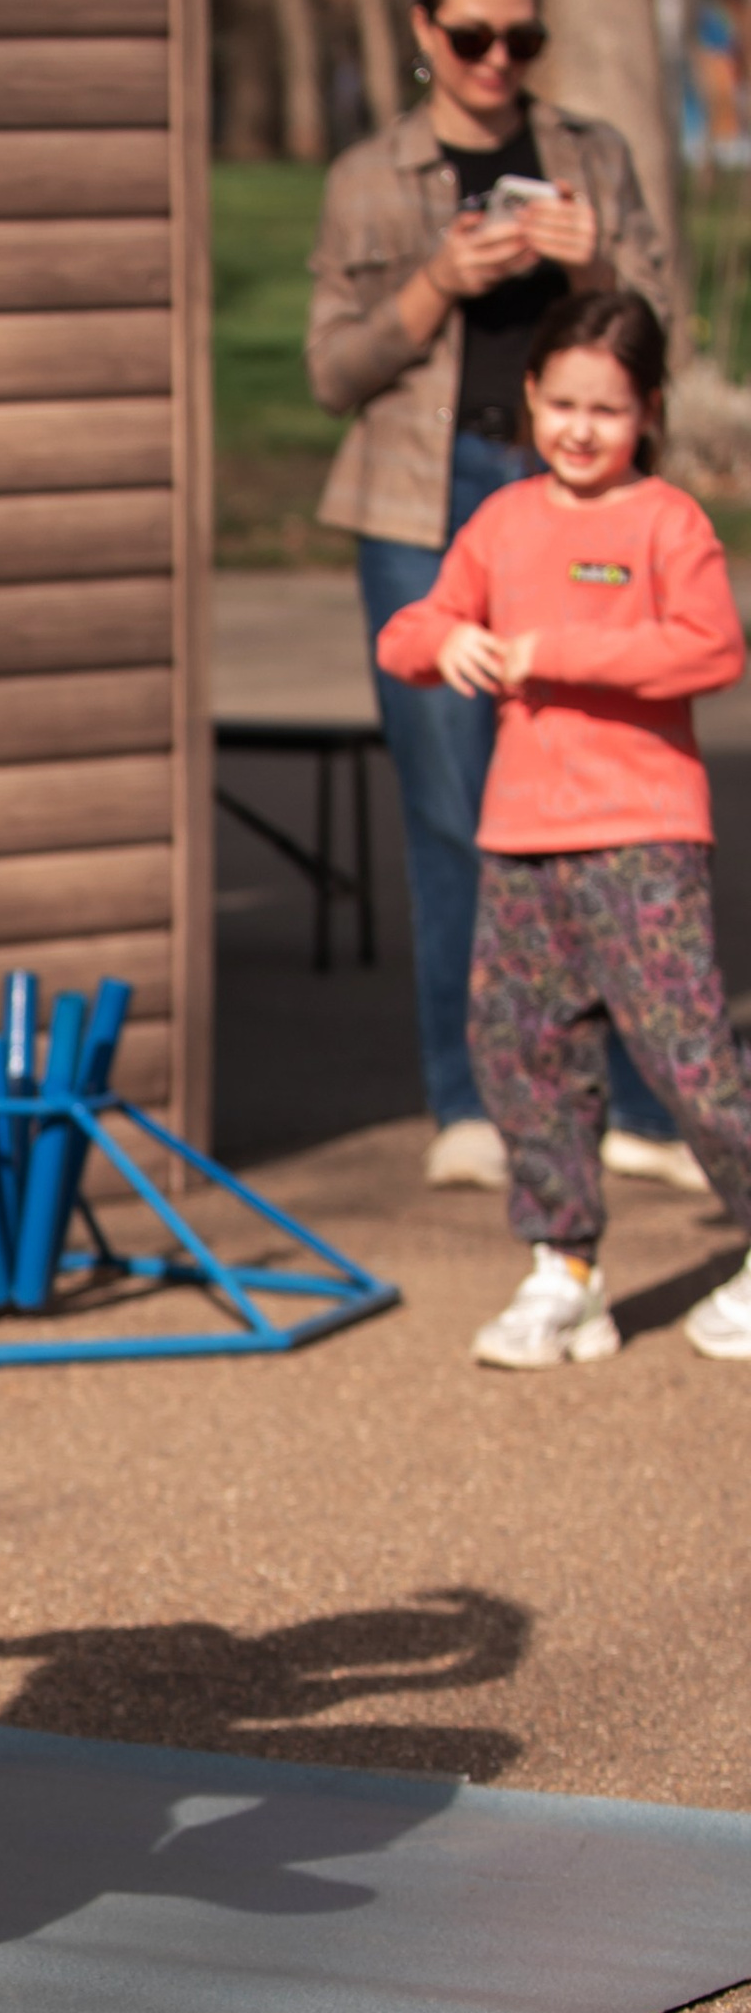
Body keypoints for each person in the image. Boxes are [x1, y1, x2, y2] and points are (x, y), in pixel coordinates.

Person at [308, 0, 699, 1195]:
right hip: (423, 501)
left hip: (572, 495)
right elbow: (331, 370)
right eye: (470, 35)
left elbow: (660, 333)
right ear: (424, 32)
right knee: (447, 811)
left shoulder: (590, 154)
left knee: (604, 813)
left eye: (519, 37)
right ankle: (468, 1097)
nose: (495, 58)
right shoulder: (371, 174)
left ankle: (629, 1099)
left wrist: (588, 261)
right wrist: (437, 279)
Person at [374, 291, 751, 1370]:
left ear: (649, 411)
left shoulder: (666, 521)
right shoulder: (502, 521)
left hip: (644, 836)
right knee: (522, 1049)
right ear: (531, 395)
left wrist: (557, 650)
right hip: (522, 839)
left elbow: (710, 648)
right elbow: (412, 626)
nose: (582, 427)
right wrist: (444, 643)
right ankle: (565, 1269)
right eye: (563, 401)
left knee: (688, 1054)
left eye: (610, 407)